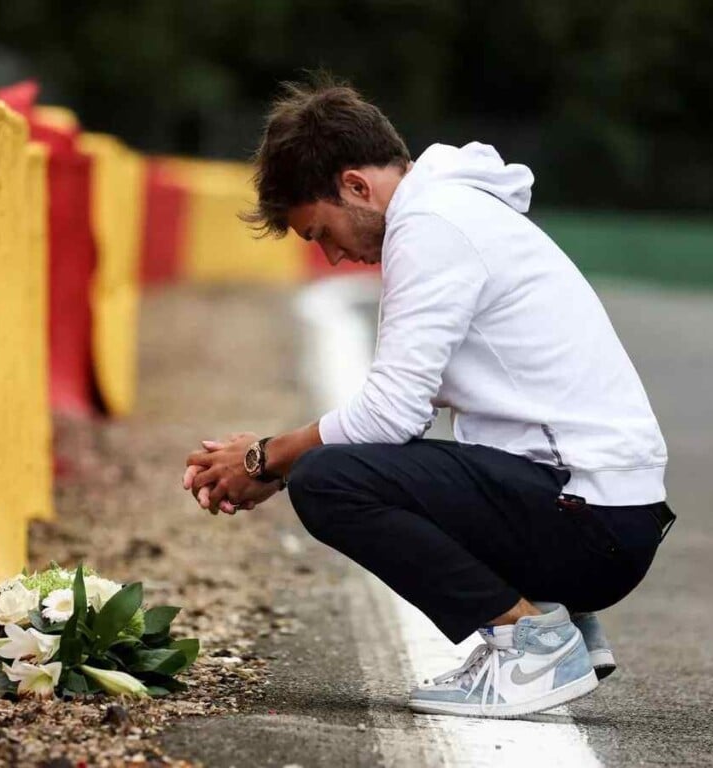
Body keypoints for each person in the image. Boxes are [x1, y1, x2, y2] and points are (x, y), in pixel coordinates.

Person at [181, 75, 675, 719]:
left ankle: (532, 645)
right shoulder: (451, 211)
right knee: (351, 464)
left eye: (321, 232)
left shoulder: (432, 225)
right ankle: (558, 620)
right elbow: (399, 414)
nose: (331, 256)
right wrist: (270, 462)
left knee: (331, 482)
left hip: (591, 522)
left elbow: (390, 414)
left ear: (356, 186)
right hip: (604, 514)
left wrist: (267, 459)